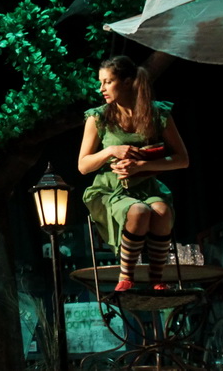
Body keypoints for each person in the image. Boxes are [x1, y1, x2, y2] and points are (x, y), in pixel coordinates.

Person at [78, 55, 189, 291]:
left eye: (108, 82)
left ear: (127, 82)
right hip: (112, 189)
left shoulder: (157, 113)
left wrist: (142, 166)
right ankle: (126, 276)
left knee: (162, 211)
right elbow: (84, 165)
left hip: (146, 186)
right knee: (139, 211)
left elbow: (182, 160)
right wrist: (111, 151)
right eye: (100, 82)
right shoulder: (98, 117)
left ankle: (156, 278)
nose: (101, 88)